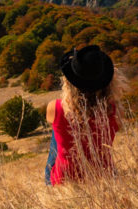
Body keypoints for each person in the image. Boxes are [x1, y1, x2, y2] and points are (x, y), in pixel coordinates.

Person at [44, 45, 124, 186]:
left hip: (65, 181)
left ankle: (49, 182)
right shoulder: (115, 111)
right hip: (104, 177)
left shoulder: (54, 107)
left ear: (69, 82)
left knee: (57, 129)